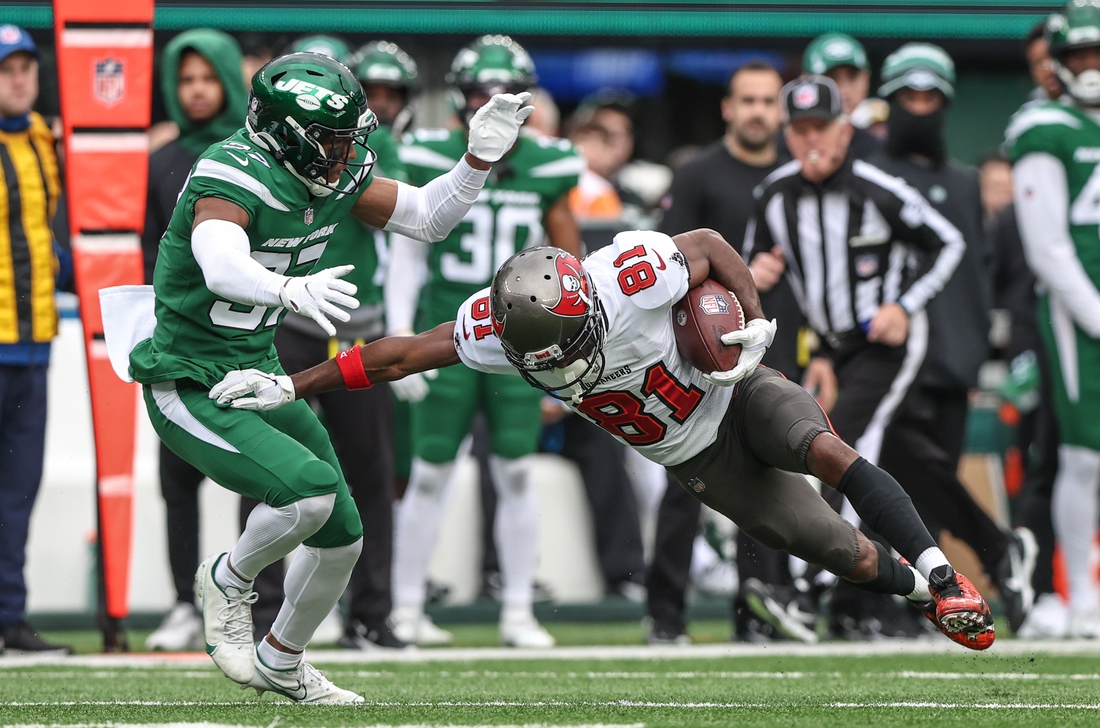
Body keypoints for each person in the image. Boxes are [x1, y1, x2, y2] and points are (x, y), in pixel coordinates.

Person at [211, 227, 998, 654]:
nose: (566, 364)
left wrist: (754, 321)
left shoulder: (631, 271)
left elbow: (714, 245)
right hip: (690, 455)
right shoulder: (495, 326)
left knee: (821, 445)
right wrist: (293, 382)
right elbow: (397, 353)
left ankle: (944, 570)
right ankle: (931, 596)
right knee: (837, 550)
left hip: (733, 391)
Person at [106, 52, 534, 701]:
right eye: (333, 142)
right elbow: (220, 264)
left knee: (343, 535)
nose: (346, 155)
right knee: (306, 494)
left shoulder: (334, 170)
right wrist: (285, 289)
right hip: (188, 376)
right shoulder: (231, 172)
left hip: (259, 368)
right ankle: (228, 577)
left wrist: (476, 162)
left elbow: (427, 217)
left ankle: (282, 658)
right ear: (284, 136)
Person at [745, 75, 966, 640]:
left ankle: (807, 593)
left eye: (821, 127)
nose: (810, 141)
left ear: (844, 131)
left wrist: (904, 303)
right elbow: (752, 266)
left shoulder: (876, 187)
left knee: (846, 456)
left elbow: (949, 241)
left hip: (884, 344)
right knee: (839, 458)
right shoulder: (774, 194)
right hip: (832, 349)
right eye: (799, 131)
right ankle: (835, 596)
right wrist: (758, 276)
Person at [384, 34, 581, 648]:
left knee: (517, 470)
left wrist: (577, 346)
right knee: (430, 471)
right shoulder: (428, 155)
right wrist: (401, 336)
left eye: (504, 96)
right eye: (479, 95)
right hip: (449, 333)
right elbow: (407, 257)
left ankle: (518, 608)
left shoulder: (550, 165)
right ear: (463, 101)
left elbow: (569, 261)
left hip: (524, 339)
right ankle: (406, 606)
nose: (491, 107)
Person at [870, 43, 1038, 635]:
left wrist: (967, 358)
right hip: (890, 354)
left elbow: (974, 278)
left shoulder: (965, 184)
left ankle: (928, 604)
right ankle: (995, 550)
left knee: (917, 484)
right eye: (908, 98)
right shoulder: (874, 174)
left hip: (953, 358)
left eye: (930, 98)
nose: (920, 108)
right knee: (899, 469)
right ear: (890, 103)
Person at [268, 38, 421, 653]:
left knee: (368, 469)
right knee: (272, 469)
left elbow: (418, 226)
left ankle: (371, 612)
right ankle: (260, 613)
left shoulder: (364, 147)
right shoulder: (251, 155)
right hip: (283, 318)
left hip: (352, 324)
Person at [649, 60, 795, 644]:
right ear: (728, 108)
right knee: (684, 481)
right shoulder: (699, 174)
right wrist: (739, 283)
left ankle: (757, 613)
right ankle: (665, 615)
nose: (759, 110)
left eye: (768, 100)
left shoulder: (792, 175)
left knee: (766, 480)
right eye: (748, 99)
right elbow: (663, 266)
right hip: (696, 355)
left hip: (774, 347)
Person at [141, 28, 250, 654]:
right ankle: (184, 602)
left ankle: (249, 599)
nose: (198, 90)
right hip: (178, 344)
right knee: (176, 478)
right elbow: (146, 253)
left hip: (243, 342)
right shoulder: (161, 161)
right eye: (186, 80)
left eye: (209, 77)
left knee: (259, 475)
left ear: (230, 80)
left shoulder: (253, 156)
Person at [1008, 0, 1100, 638]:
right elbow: (1048, 249)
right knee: (1084, 455)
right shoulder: (1044, 126)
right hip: (1079, 314)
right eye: (1081, 55)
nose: (1091, 67)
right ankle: (1084, 597)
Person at [0, 24, 71, 656]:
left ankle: (10, 617)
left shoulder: (46, 139)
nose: (17, 78)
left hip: (34, 342)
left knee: (19, 491)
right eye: (6, 68)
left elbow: (43, 241)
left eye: (25, 66)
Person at [800, 33, 881, 160]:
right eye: (831, 77)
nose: (844, 90)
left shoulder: (877, 150)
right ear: (805, 81)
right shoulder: (781, 150)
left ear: (867, 80)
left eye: (853, 77)